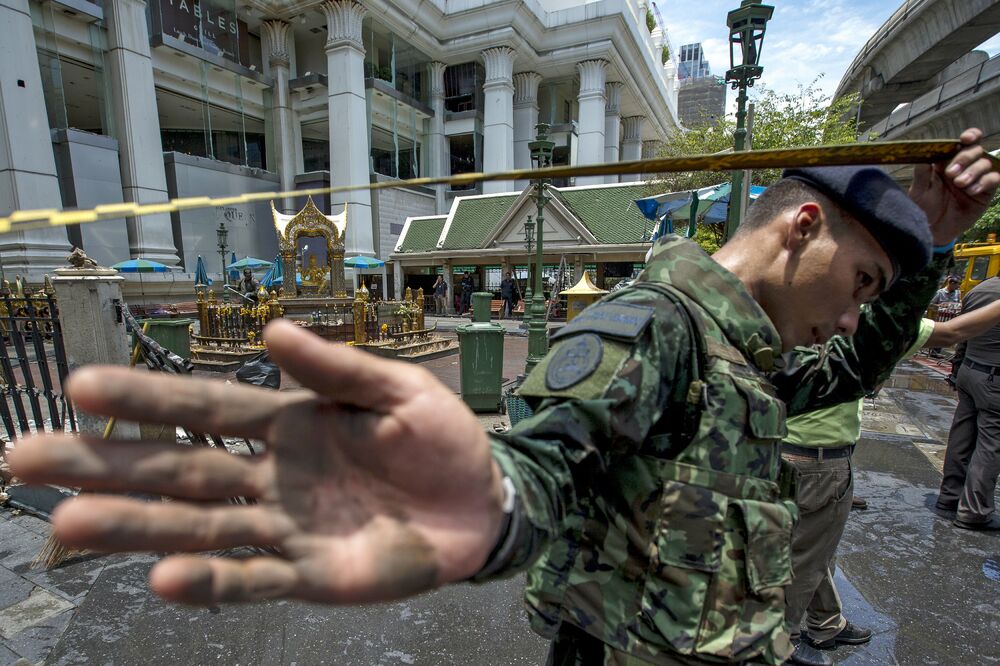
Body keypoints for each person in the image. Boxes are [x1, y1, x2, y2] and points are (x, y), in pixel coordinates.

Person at [9, 130, 997, 666]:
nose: (850, 317)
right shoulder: (651, 329)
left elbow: (849, 370)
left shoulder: (750, 351)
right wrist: (479, 503)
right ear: (803, 226)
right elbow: (543, 464)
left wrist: (926, 241)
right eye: (861, 283)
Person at [782, 299, 1000, 666]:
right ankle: (784, 642)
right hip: (821, 462)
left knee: (817, 549)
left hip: (787, 450)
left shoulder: (790, 307)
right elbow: (955, 331)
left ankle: (825, 622)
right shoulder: (871, 322)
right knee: (806, 558)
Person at [937, 274, 1000, 530]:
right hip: (994, 378)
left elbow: (963, 334)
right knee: (990, 443)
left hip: (969, 371)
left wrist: (956, 369)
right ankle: (974, 511)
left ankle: (949, 496)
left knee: (962, 434)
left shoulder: (980, 289)